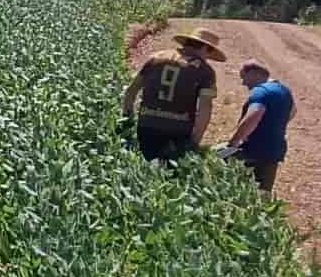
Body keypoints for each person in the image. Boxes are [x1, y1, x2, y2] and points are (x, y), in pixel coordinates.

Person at [121, 26, 227, 161]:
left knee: (144, 169)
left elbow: (131, 90)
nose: (207, 58)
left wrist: (127, 119)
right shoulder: (205, 71)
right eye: (209, 52)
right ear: (206, 48)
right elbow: (205, 107)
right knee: (170, 175)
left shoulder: (155, 58)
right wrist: (195, 140)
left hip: (147, 124)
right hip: (179, 130)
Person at [220, 58, 295, 192]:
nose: (243, 83)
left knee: (233, 185)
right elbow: (293, 111)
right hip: (275, 150)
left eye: (244, 77)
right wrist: (274, 126)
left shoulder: (261, 91)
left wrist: (234, 142)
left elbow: (254, 114)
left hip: (253, 150)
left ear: (254, 73)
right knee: (263, 192)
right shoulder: (284, 91)